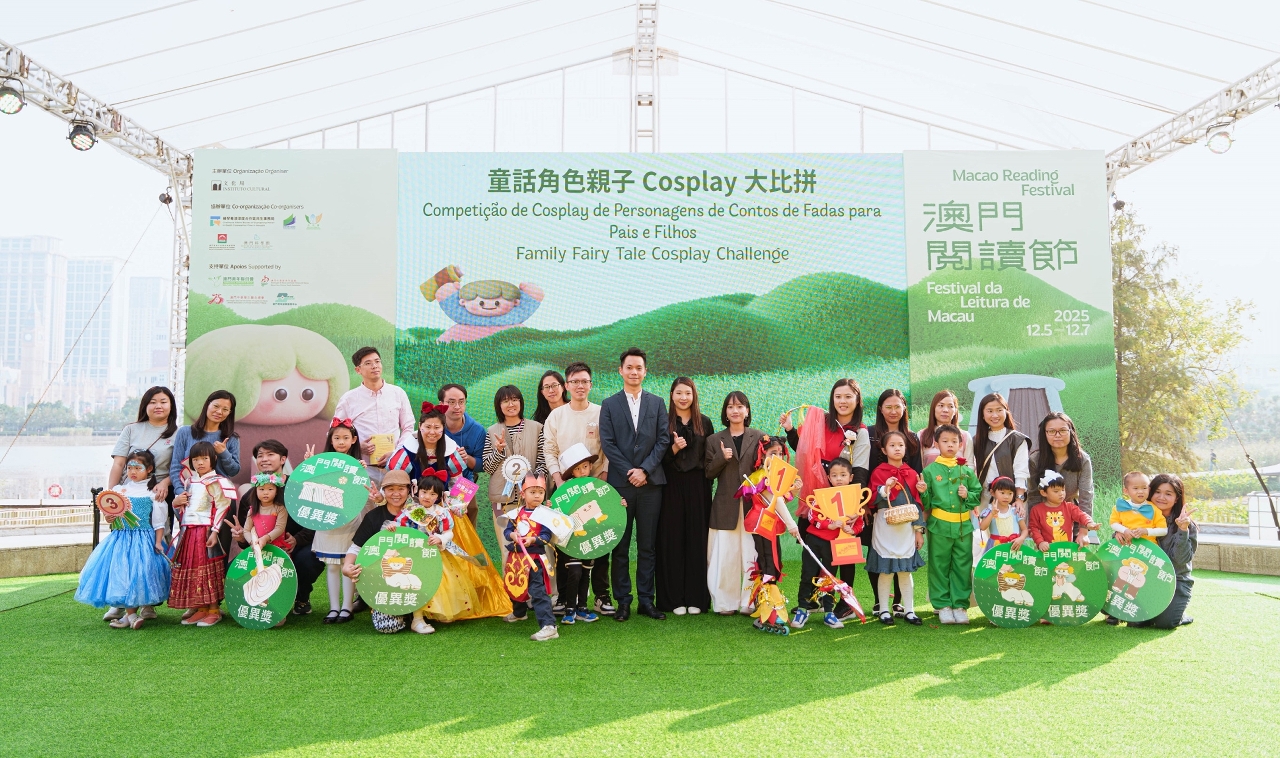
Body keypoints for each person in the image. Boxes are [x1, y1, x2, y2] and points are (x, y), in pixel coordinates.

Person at [782, 378, 870, 623]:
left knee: (844, 552)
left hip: (844, 499)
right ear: (832, 399)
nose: (843, 401)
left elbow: (860, 470)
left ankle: (845, 603)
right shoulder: (820, 422)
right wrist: (790, 430)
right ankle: (811, 599)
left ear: (857, 400)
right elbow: (804, 450)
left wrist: (854, 505)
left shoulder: (861, 431)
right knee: (813, 549)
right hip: (816, 497)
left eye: (848, 396)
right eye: (838, 396)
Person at [599, 347, 671, 622]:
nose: (634, 372)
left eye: (638, 367)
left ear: (645, 371)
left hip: (651, 484)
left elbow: (663, 440)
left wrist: (645, 470)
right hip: (621, 485)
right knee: (620, 547)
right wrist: (631, 471)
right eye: (629, 367)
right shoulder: (609, 404)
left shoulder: (657, 403)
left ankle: (646, 601)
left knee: (647, 546)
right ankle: (623, 602)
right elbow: (608, 443)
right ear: (621, 371)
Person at [543, 362, 613, 615]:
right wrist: (559, 481)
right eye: (575, 382)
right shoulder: (556, 416)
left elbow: (608, 448)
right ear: (567, 386)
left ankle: (601, 596)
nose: (580, 386)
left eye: (584, 381)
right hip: (565, 489)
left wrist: (603, 476)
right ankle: (564, 598)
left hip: (596, 487)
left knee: (599, 540)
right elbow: (549, 450)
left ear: (591, 384)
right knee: (565, 542)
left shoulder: (602, 413)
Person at [76, 450, 171, 629]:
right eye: (130, 468)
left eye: (138, 468)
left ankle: (130, 616)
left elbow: (159, 522)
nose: (133, 471)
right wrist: (109, 518)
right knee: (122, 574)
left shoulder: (153, 492)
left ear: (149, 469)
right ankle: (131, 616)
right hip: (120, 538)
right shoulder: (119, 490)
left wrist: (158, 542)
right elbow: (110, 516)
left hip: (143, 540)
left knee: (138, 575)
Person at [304, 419, 382, 623]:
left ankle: (347, 607)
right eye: (337, 437)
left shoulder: (359, 465)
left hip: (350, 521)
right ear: (330, 440)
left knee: (349, 563)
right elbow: (309, 490)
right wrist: (309, 466)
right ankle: (333, 608)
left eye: (345, 438)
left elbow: (361, 495)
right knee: (332, 566)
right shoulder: (321, 463)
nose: (341, 441)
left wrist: (359, 473)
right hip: (327, 521)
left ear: (354, 440)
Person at [415, 472, 513, 626]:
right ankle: (418, 615)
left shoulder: (441, 513)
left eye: (432, 494)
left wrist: (441, 538)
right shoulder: (412, 510)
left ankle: (442, 611)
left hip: (438, 553)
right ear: (417, 491)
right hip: (417, 553)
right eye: (424, 492)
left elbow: (449, 533)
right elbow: (403, 526)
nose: (427, 496)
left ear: (439, 497)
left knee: (444, 583)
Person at [656, 377, 713, 616]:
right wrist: (674, 449)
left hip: (698, 486)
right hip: (670, 485)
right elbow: (657, 457)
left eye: (687, 393)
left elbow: (709, 458)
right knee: (672, 540)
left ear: (694, 395)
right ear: (671, 395)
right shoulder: (663, 422)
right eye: (678, 393)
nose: (683, 397)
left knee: (697, 540)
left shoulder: (705, 422)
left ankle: (697, 598)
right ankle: (673, 599)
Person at [865, 388, 923, 618]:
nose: (897, 448)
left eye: (897, 406)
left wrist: (919, 529)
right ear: (883, 449)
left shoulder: (911, 472)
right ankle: (883, 608)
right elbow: (873, 496)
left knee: (905, 570)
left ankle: (907, 608)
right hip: (884, 525)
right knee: (884, 569)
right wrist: (883, 490)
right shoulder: (879, 471)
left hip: (906, 527)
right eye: (888, 406)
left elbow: (917, 502)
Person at [704, 391, 763, 616]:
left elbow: (767, 469)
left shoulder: (760, 437)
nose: (735, 411)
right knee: (725, 556)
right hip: (725, 506)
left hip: (753, 506)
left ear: (747, 411)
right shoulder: (714, 440)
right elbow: (708, 473)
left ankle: (750, 601)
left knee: (752, 554)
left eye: (739, 406)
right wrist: (721, 458)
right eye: (730, 407)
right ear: (725, 412)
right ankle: (724, 603)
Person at [169, 441, 237, 627]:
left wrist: (215, 531)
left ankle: (213, 610)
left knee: (207, 569)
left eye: (204, 458)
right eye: (196, 459)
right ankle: (201, 608)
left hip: (205, 531)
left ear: (213, 459)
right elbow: (183, 509)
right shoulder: (189, 481)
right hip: (189, 531)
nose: (200, 463)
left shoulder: (217, 481)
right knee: (193, 568)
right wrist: (176, 503)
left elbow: (223, 507)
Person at [919, 424, 981, 625]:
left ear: (961, 444)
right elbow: (927, 503)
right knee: (939, 565)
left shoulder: (967, 471)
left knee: (963, 565)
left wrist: (968, 495)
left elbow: (977, 494)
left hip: (963, 526)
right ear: (936, 444)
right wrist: (923, 492)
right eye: (945, 441)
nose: (950, 445)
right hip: (939, 525)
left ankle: (960, 605)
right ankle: (943, 605)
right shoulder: (929, 471)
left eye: (954, 441)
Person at [742, 435, 802, 635]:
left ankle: (766, 609)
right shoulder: (763, 476)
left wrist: (795, 489)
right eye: (772, 453)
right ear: (763, 455)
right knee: (770, 565)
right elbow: (778, 502)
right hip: (762, 525)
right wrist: (792, 525)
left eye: (780, 453)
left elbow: (783, 498)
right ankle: (769, 613)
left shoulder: (774, 477)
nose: (777, 457)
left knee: (771, 564)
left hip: (769, 526)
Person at [791, 457, 859, 630]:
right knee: (808, 575)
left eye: (843, 475)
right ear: (828, 477)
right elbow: (812, 516)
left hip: (836, 545)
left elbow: (859, 522)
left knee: (830, 579)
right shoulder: (821, 495)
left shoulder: (854, 498)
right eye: (834, 475)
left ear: (850, 477)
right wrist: (829, 525)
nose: (839, 479)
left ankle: (829, 613)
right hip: (814, 541)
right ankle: (802, 609)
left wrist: (853, 530)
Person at [332, 346, 415, 486]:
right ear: (358, 370)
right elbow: (334, 432)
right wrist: (356, 447)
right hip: (362, 468)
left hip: (394, 466)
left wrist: (396, 452)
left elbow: (408, 427)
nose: (374, 366)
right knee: (363, 500)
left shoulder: (397, 393)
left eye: (377, 361)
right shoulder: (349, 399)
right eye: (368, 363)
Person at [482, 385, 546, 566]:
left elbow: (543, 463)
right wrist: (498, 451)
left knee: (534, 551)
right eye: (505, 401)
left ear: (521, 402)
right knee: (507, 551)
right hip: (503, 502)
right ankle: (510, 585)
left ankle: (536, 585)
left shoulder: (537, 428)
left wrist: (533, 488)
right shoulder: (492, 431)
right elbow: (487, 467)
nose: (511, 404)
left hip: (532, 503)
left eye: (514, 399)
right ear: (499, 405)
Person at [1130, 473, 1197, 629]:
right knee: (1136, 622)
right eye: (1157, 492)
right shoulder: (1136, 516)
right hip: (1146, 579)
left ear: (1176, 498)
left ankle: (1178, 614)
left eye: (1168, 494)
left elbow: (1181, 560)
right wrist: (1120, 534)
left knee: (1165, 623)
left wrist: (1182, 530)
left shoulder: (1187, 525)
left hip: (1176, 580)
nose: (1161, 497)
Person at [503, 473, 560, 641]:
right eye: (532, 492)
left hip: (534, 558)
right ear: (523, 494)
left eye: (540, 492)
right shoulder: (515, 513)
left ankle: (549, 626)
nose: (537, 496)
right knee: (514, 584)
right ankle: (519, 613)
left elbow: (546, 537)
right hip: (516, 557)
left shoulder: (545, 514)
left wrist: (533, 540)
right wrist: (512, 535)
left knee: (537, 590)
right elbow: (507, 531)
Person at [552, 444, 603, 626]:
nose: (582, 471)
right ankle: (569, 608)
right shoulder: (564, 490)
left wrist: (619, 503)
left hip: (589, 537)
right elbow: (555, 510)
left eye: (585, 467)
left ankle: (582, 608)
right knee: (574, 572)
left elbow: (606, 504)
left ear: (591, 467)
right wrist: (550, 506)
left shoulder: (596, 486)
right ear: (571, 472)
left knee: (585, 572)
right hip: (571, 539)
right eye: (577, 468)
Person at [170, 390, 241, 511]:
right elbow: (176, 467)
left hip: (220, 500)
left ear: (230, 413)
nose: (219, 412)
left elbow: (234, 471)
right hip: (191, 497)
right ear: (207, 405)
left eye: (225, 409)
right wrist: (181, 491)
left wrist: (224, 453)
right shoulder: (185, 432)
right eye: (216, 406)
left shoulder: (231, 438)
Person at [1028, 412, 1096, 535]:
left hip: (1074, 519)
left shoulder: (1082, 459)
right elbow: (1033, 496)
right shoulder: (1035, 460)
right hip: (1045, 521)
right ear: (1045, 434)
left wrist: (1083, 531)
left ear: (1071, 432)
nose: (1058, 435)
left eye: (1063, 430)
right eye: (1052, 431)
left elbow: (1086, 496)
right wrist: (1035, 528)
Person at [108, 386, 177, 499]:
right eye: (153, 402)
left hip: (158, 495)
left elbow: (180, 468)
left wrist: (165, 483)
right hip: (127, 494)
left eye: (163, 402)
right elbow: (118, 464)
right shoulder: (130, 430)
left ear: (171, 406)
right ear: (145, 406)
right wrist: (110, 495)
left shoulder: (179, 433)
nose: (158, 406)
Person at [388, 403, 468, 483]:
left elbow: (456, 483)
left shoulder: (451, 452)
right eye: (428, 427)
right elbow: (397, 483)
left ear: (443, 428)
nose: (432, 432)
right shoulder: (406, 453)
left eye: (436, 427)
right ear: (420, 426)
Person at [438, 383, 486, 515]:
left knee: (468, 514)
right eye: (451, 402)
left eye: (461, 402)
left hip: (463, 483)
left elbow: (482, 465)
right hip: (434, 482)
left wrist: (467, 458)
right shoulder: (433, 425)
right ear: (441, 404)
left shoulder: (477, 430)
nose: (457, 407)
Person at [1027, 470, 1098, 551]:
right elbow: (1034, 528)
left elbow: (1081, 515)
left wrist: (1089, 523)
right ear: (1043, 493)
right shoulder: (1036, 510)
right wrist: (1040, 542)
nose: (1061, 493)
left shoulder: (1069, 507)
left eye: (1063, 490)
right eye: (1056, 491)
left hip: (1066, 551)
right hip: (1046, 552)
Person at [918, 389, 974, 468]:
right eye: (941, 405)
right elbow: (918, 466)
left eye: (950, 406)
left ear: (955, 411)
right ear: (934, 408)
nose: (945, 410)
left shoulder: (965, 436)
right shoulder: (922, 435)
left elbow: (970, 466)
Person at [1110, 472, 1167, 546]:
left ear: (1149, 490)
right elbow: (1113, 523)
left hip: (1148, 548)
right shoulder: (1120, 507)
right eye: (1135, 488)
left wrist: (1146, 531)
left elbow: (1164, 530)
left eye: (1144, 488)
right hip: (1126, 546)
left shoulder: (1153, 509)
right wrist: (1124, 530)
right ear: (1126, 491)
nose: (1140, 491)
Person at [977, 477, 1027, 551]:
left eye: (1010, 493)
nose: (1006, 497)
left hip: (1014, 546)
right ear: (992, 492)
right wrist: (992, 514)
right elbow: (982, 527)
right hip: (995, 547)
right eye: (1002, 493)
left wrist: (1021, 538)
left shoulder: (1015, 511)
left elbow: (1024, 529)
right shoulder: (989, 511)